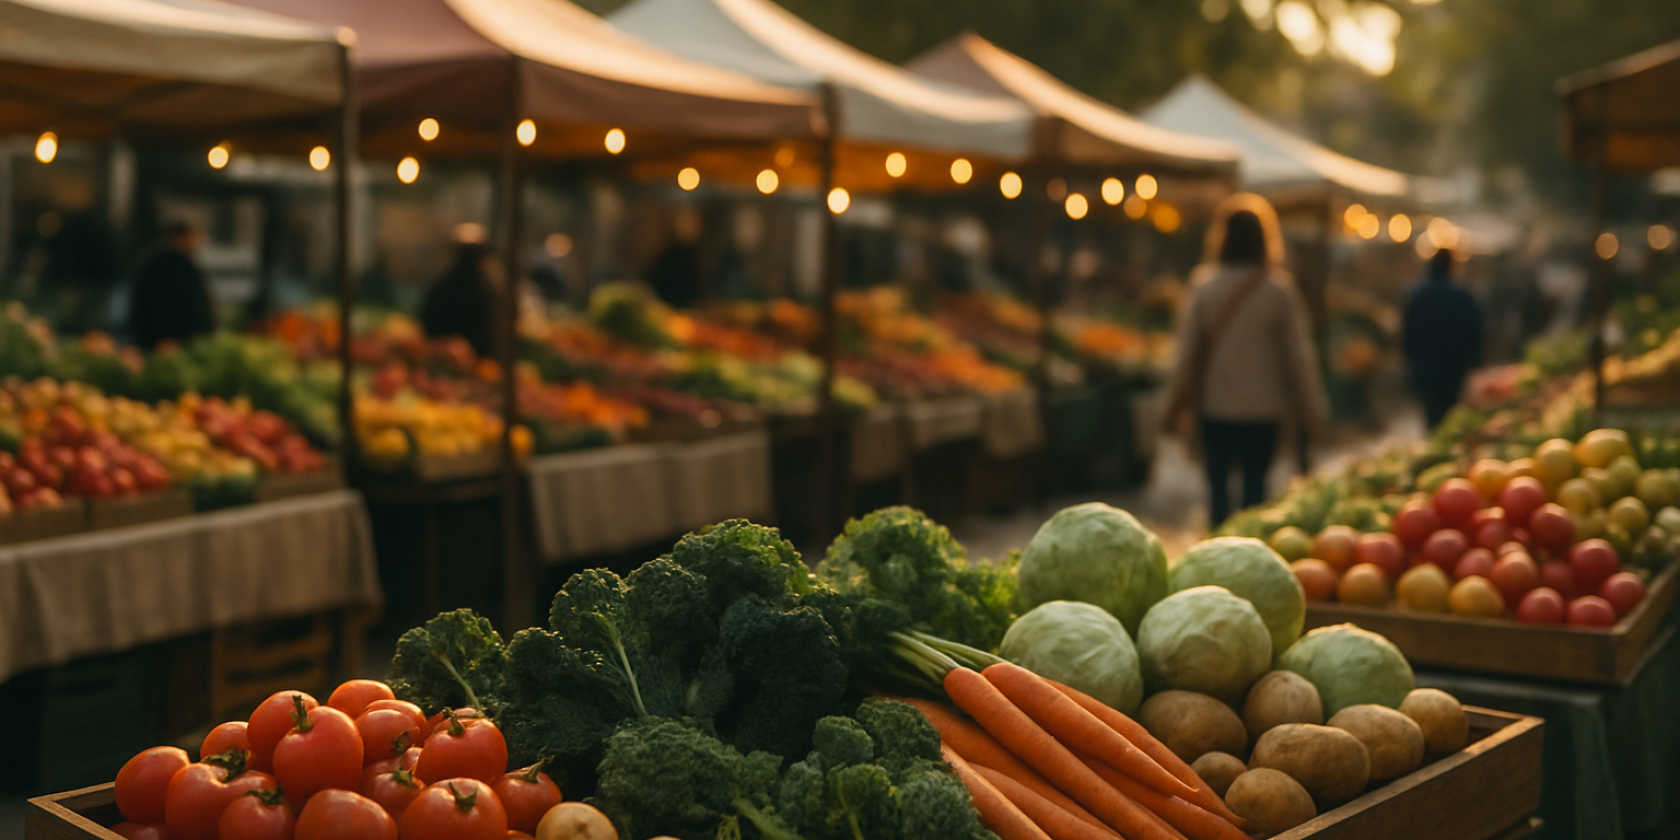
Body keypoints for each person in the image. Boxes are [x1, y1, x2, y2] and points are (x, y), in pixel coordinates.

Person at [1163, 193, 1328, 528]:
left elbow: (1184, 355)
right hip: (1263, 408)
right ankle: (1252, 546)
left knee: (1217, 490)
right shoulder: (1278, 290)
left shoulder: (1204, 286)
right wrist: (1313, 411)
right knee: (1256, 488)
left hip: (1214, 406)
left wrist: (1171, 407)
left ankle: (1218, 546)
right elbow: (1299, 357)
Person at [1403, 248, 1483, 429]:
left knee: (1432, 416)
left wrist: (1410, 360)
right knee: (1452, 417)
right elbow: (1474, 334)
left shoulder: (1418, 295)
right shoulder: (1463, 296)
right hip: (1454, 368)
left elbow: (1408, 333)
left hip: (1426, 368)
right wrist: (1474, 364)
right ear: (1451, 266)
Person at [127, 222, 216, 350]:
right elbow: (182, 303)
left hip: (152, 335)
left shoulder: (151, 259)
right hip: (174, 337)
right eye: (193, 238)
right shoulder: (178, 264)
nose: (197, 244)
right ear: (181, 237)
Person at [421, 242, 507, 360]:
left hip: (442, 354)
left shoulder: (445, 284)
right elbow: (487, 331)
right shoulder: (482, 291)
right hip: (464, 359)